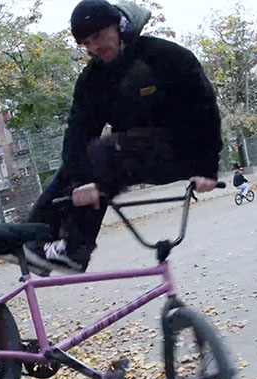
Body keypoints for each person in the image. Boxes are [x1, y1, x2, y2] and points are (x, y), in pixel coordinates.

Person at [21, 0, 222, 274]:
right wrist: (82, 179)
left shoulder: (164, 57)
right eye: (87, 43)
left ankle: (74, 249)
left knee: (103, 154)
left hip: (180, 150)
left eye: (99, 37)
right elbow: (78, 132)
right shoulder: (93, 79)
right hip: (134, 153)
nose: (95, 47)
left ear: (119, 26)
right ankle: (30, 240)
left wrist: (207, 167)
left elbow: (205, 108)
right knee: (76, 166)